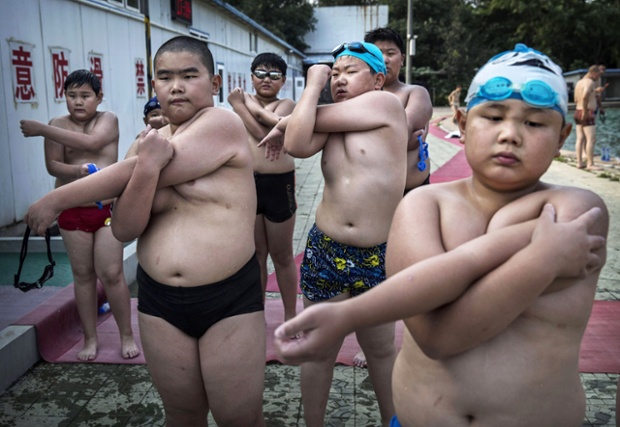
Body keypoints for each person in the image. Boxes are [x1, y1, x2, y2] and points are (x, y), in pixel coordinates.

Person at [273, 43, 609, 427]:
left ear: (564, 134)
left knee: (381, 350)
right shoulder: (425, 205)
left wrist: (348, 314)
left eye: (534, 123)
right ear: (462, 124)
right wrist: (540, 254)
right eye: (494, 117)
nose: (510, 135)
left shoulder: (579, 209)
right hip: (332, 253)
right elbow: (434, 322)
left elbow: (445, 326)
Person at [25, 36, 266, 426]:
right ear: (153, 85)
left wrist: (57, 200)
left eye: (190, 75)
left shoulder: (223, 124)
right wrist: (147, 166)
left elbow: (126, 173)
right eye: (165, 77)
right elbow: (123, 228)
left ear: (214, 83)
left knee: (238, 417)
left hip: (228, 300)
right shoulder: (148, 145)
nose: (177, 86)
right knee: (181, 415)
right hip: (159, 304)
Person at [261, 41, 408, 427]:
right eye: (335, 73)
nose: (338, 79)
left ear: (378, 79)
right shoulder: (329, 120)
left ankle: (393, 420)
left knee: (378, 349)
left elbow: (295, 129)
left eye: (350, 71)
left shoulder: (386, 105)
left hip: (375, 254)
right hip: (326, 248)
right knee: (319, 351)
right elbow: (296, 142)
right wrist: (311, 89)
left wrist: (291, 114)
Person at [19, 69, 139, 362]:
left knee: (111, 274)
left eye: (85, 95)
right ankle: (90, 338)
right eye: (72, 96)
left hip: (106, 211)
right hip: (73, 213)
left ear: (99, 97)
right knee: (83, 276)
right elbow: (53, 166)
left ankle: (126, 335)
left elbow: (93, 144)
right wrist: (78, 172)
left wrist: (42, 129)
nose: (78, 102)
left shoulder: (107, 119)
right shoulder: (57, 124)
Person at [347, 26, 433, 369]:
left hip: (412, 194)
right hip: (375, 195)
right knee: (375, 270)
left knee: (413, 270)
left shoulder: (416, 93)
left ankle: (414, 344)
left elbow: (400, 135)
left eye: (391, 52)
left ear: (402, 57)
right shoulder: (357, 97)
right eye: (376, 52)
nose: (384, 58)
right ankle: (377, 344)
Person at [228, 52, 298, 321]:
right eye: (260, 73)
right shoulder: (243, 101)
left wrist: (239, 105)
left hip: (279, 185)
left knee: (282, 255)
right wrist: (243, 106)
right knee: (256, 255)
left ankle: (291, 315)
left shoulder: (288, 104)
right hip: (248, 183)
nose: (266, 79)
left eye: (274, 75)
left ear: (283, 81)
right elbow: (261, 128)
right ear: (251, 76)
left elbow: (263, 134)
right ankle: (256, 314)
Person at [574, 64, 603, 170]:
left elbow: (576, 99)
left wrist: (594, 92)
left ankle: (579, 163)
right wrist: (586, 111)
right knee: (591, 139)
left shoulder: (579, 82)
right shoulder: (589, 82)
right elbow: (585, 95)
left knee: (580, 138)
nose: (598, 78)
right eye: (598, 76)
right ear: (593, 73)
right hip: (587, 113)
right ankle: (590, 164)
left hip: (577, 111)